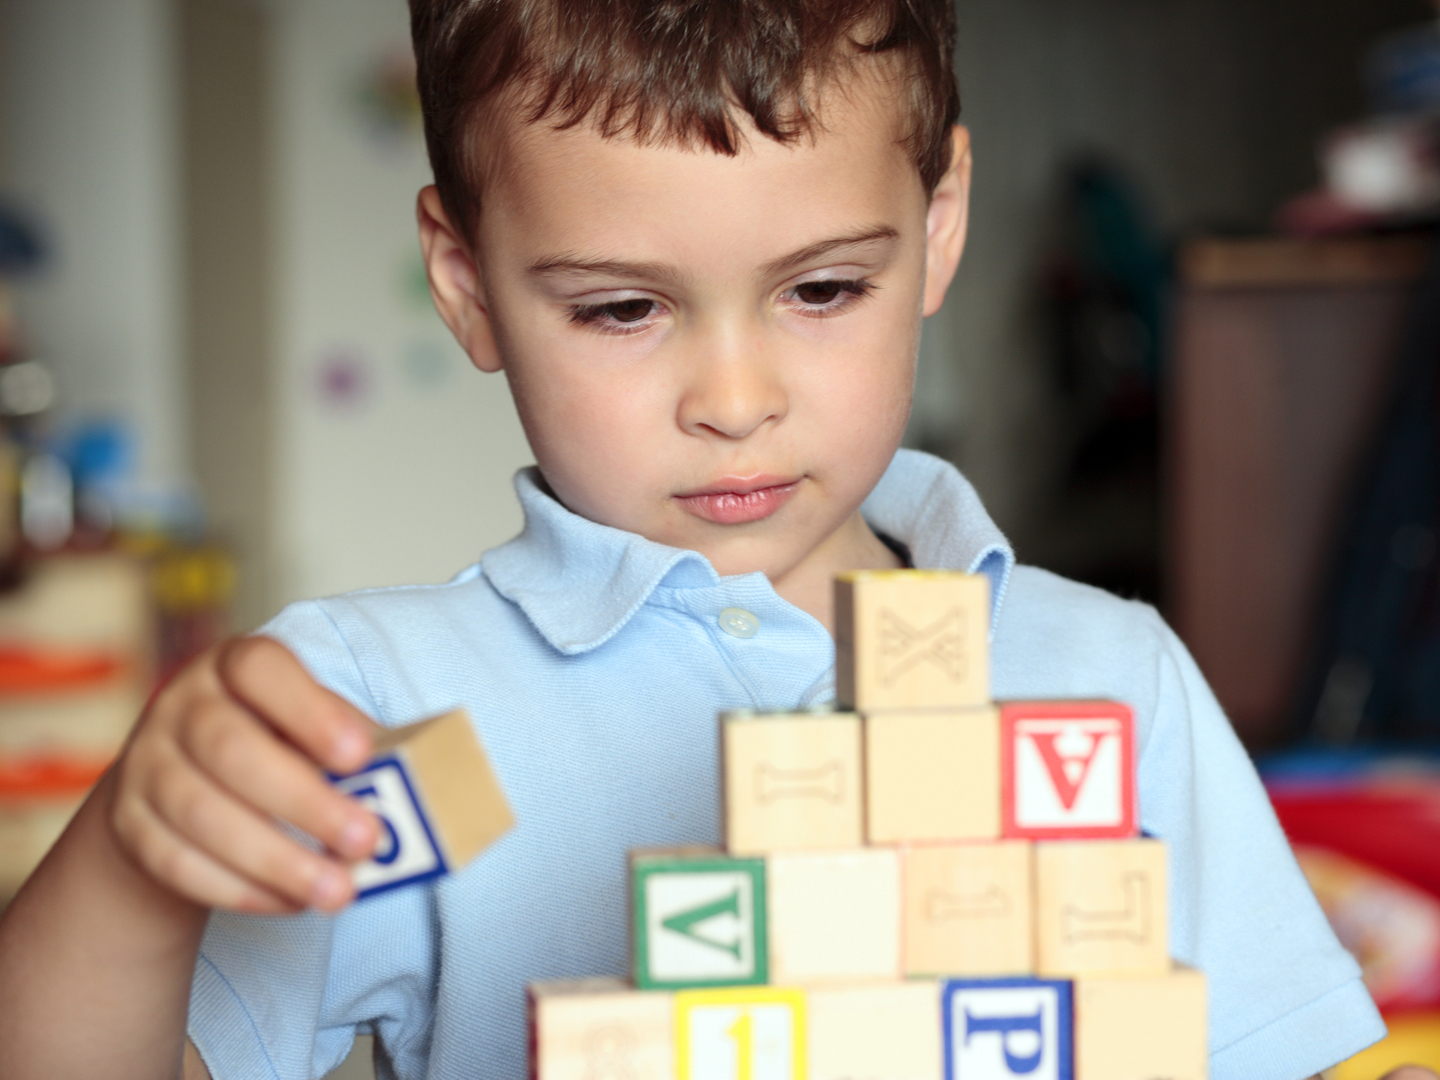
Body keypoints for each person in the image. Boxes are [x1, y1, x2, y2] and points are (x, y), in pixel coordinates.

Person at [0, 2, 1413, 1078]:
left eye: (823, 289)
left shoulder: (1107, 678)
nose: (734, 403)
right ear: (468, 285)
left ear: (939, 226)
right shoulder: (383, 718)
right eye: (624, 309)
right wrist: (130, 863)